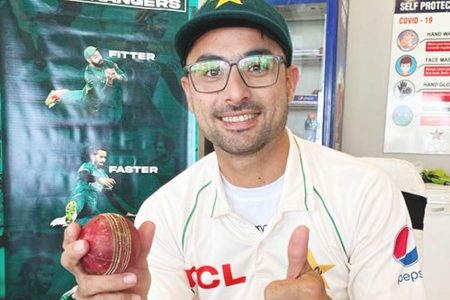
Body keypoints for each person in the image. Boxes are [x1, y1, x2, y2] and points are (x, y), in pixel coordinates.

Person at [60, 0, 426, 299]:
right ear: (188, 93)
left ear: (289, 81)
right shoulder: (165, 214)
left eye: (258, 65)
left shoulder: (366, 192)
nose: (235, 93)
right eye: (210, 71)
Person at [50, 145, 129, 226]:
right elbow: (84, 176)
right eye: (101, 157)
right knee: (79, 199)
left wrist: (125, 213)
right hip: (80, 197)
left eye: (105, 157)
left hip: (91, 204)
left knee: (97, 221)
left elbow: (111, 197)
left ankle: (70, 221)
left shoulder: (105, 176)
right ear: (93, 156)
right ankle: (71, 216)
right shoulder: (88, 166)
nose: (103, 160)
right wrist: (100, 180)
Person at [45, 46, 128, 122]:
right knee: (64, 97)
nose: (99, 57)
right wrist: (109, 79)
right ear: (89, 60)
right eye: (95, 57)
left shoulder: (108, 63)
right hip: (89, 100)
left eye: (99, 54)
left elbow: (125, 78)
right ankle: (56, 96)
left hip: (111, 102)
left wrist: (117, 76)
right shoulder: (89, 74)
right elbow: (101, 94)